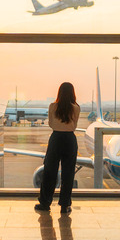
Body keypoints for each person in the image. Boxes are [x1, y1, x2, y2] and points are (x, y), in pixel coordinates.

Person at [35, 82, 81, 214]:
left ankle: (45, 203)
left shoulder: (52, 106)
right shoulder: (76, 108)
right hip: (70, 139)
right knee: (68, 173)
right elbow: (75, 125)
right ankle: (65, 205)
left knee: (50, 171)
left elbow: (50, 123)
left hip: (56, 139)